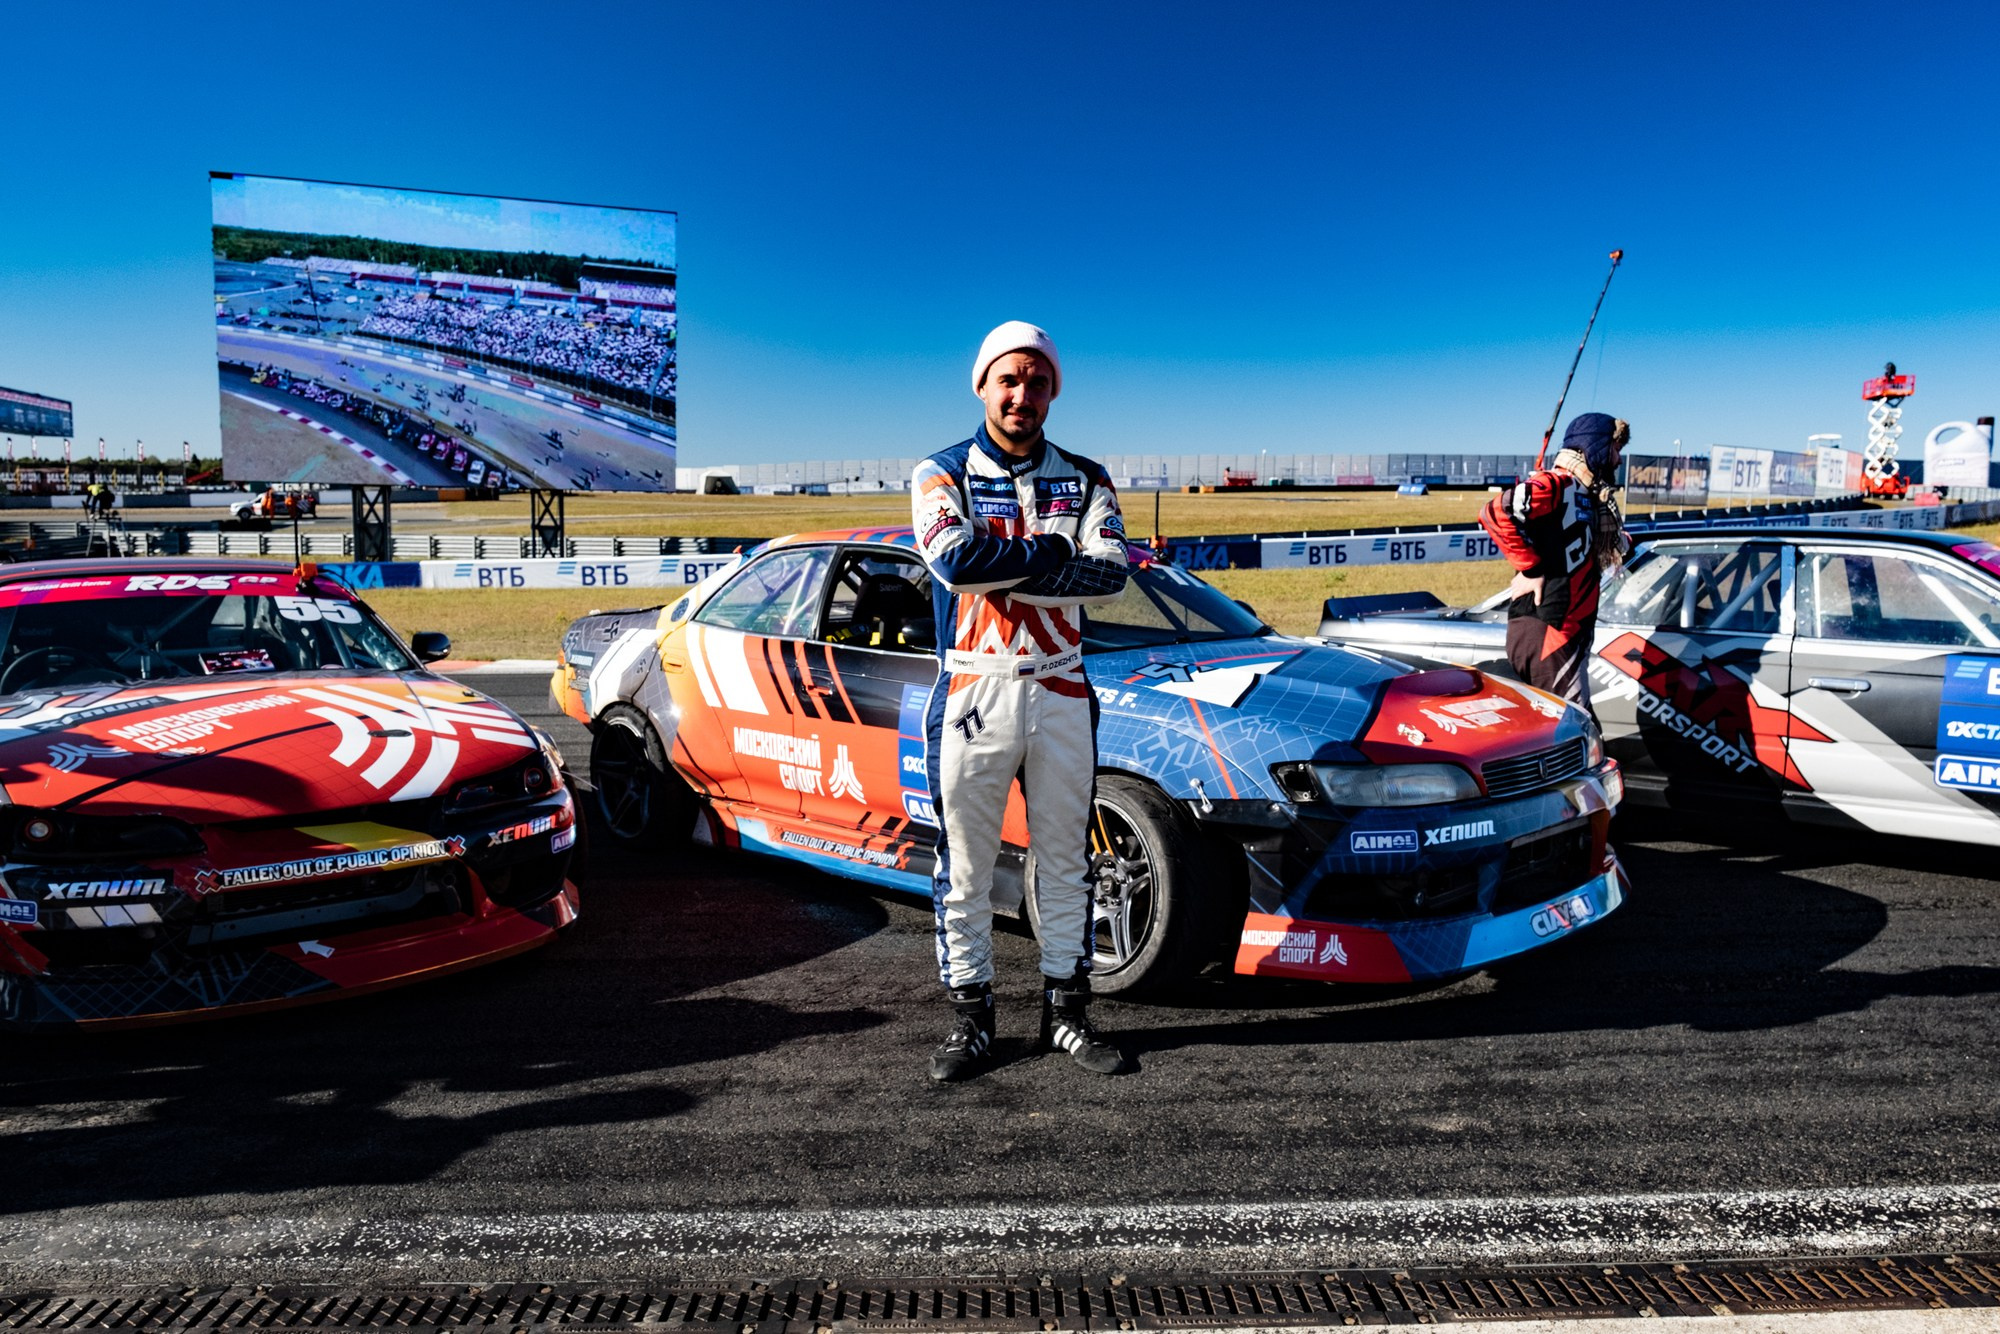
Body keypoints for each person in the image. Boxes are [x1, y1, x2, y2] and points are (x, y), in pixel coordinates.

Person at [911, 321, 1132, 1083]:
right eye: (1009, 379)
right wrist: (1054, 551)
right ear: (982, 384)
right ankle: (971, 1022)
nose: (1023, 394)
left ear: (1053, 392)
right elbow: (955, 563)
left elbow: (1110, 575)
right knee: (967, 868)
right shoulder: (938, 473)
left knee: (1068, 861)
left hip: (1065, 685)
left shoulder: (1089, 477)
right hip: (974, 687)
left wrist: (1014, 567)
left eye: (1038, 382)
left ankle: (1067, 1015)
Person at [1479, 412, 1631, 710]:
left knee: (1563, 737)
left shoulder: (1589, 496)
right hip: (1550, 631)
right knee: (1576, 736)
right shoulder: (1558, 483)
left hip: (1567, 634)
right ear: (1596, 446)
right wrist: (1530, 567)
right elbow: (1496, 511)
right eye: (1615, 449)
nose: (1618, 460)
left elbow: (1608, 548)